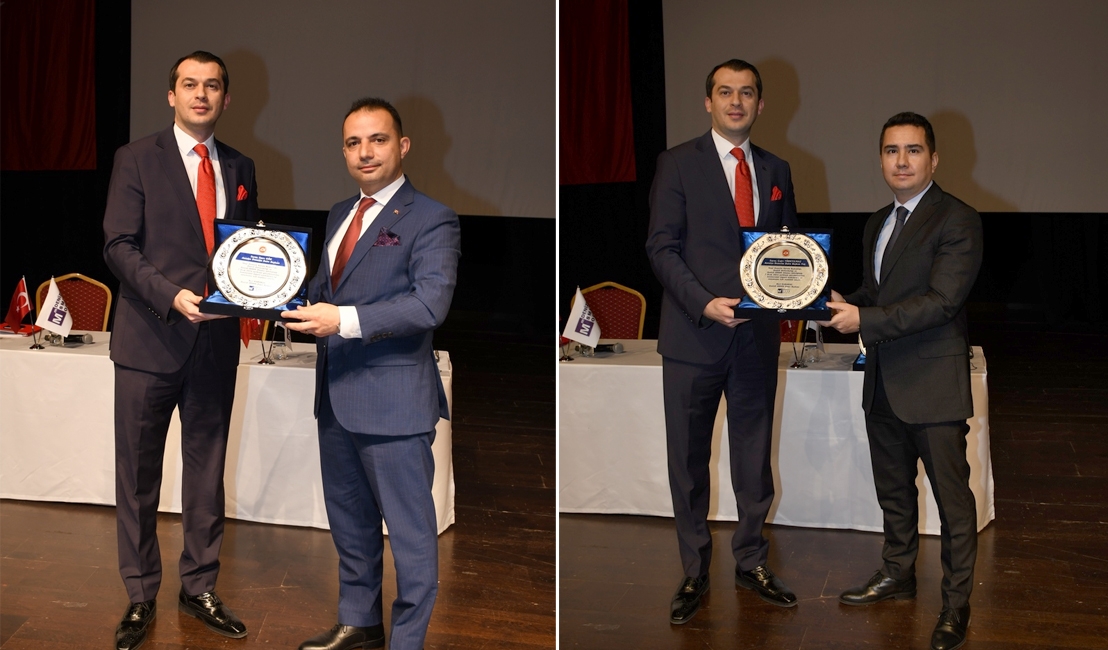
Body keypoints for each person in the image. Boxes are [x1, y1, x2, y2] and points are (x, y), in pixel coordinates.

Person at [282, 97, 460, 650]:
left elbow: (429, 305)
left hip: (394, 402)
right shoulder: (340, 213)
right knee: (350, 523)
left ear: (402, 146)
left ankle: (406, 642)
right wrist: (265, 294)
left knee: (410, 537)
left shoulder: (432, 217)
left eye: (378, 140)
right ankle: (359, 622)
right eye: (353, 143)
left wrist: (341, 319)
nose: (365, 152)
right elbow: (323, 293)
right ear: (343, 151)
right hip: (336, 397)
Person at [103, 51, 259, 650]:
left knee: (206, 474)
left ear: (225, 98)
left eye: (212, 85)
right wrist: (170, 295)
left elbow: (246, 250)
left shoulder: (240, 166)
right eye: (189, 84)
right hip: (149, 339)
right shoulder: (136, 157)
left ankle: (199, 587)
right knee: (138, 478)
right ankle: (141, 593)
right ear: (171, 95)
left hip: (215, 345)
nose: (200, 94)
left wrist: (259, 292)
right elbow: (118, 244)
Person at [644, 59, 799, 625]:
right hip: (694, 336)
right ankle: (694, 570)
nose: (737, 101)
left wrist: (798, 294)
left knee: (754, 461)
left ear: (760, 104)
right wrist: (703, 302)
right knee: (688, 463)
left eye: (747, 92)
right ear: (708, 102)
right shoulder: (677, 163)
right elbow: (661, 247)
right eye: (725, 92)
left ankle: (751, 562)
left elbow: (788, 249)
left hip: (756, 340)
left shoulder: (777, 168)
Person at [823, 112, 983, 650]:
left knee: (952, 503)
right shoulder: (878, 222)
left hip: (933, 384)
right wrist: (838, 303)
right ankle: (898, 573)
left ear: (933, 160)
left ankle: (955, 605)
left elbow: (942, 302)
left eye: (913, 150)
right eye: (892, 150)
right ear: (881, 160)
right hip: (883, 382)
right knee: (893, 494)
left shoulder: (957, 219)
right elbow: (878, 294)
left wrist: (863, 320)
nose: (902, 160)